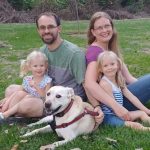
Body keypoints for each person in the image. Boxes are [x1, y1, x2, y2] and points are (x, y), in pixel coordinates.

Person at [2, 12, 104, 124]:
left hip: (63, 101)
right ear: (38, 31)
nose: (46, 31)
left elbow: (86, 84)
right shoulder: (42, 51)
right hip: (47, 93)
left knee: (27, 105)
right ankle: (14, 111)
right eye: (42, 28)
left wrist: (96, 106)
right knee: (11, 89)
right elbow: (38, 78)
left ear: (59, 28)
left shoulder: (74, 54)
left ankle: (14, 113)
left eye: (50, 27)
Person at [84, 11, 150, 121]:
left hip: (123, 93)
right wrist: (116, 107)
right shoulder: (95, 51)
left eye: (107, 26)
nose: (104, 30)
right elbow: (89, 83)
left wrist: (145, 88)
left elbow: (128, 78)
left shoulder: (110, 50)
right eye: (99, 28)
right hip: (114, 104)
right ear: (93, 32)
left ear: (112, 27)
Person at [97, 51, 150, 130]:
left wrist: (146, 110)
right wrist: (125, 116)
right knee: (134, 125)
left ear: (118, 65)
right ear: (101, 69)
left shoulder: (118, 80)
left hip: (120, 112)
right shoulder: (105, 84)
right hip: (109, 116)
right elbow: (113, 106)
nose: (110, 67)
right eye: (105, 66)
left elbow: (131, 97)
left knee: (142, 113)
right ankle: (146, 129)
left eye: (112, 64)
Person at [0, 51, 52, 120]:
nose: (39, 68)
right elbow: (18, 93)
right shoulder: (27, 79)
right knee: (20, 93)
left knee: (27, 97)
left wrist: (36, 86)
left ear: (46, 66)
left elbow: (45, 97)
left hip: (37, 104)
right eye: (35, 66)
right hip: (25, 100)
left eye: (41, 65)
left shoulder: (47, 80)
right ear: (30, 67)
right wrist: (7, 101)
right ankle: (6, 110)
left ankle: (6, 114)